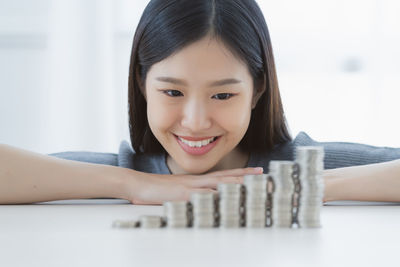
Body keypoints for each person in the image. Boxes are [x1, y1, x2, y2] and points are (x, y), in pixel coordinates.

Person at [1, 0, 399, 205]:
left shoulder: (300, 163)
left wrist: (310, 186)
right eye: (172, 92)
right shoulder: (128, 175)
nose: (194, 122)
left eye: (223, 95)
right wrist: (134, 184)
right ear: (141, 84)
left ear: (258, 89)